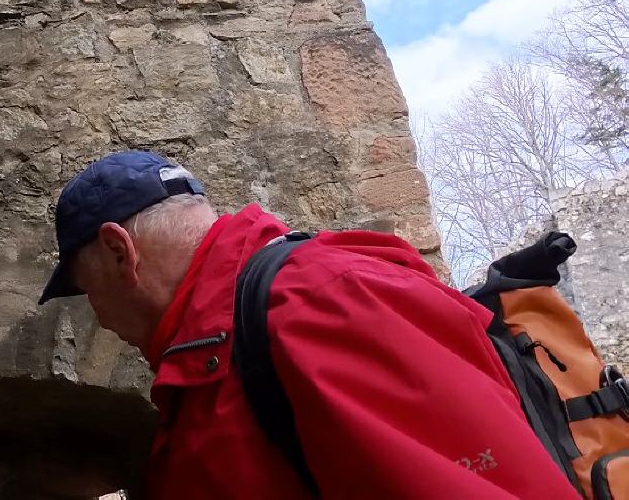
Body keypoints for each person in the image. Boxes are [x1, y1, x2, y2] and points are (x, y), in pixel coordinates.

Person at [38, 150, 581, 500]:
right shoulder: (220, 353)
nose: (99, 317)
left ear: (119, 252)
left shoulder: (325, 303)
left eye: (88, 291)